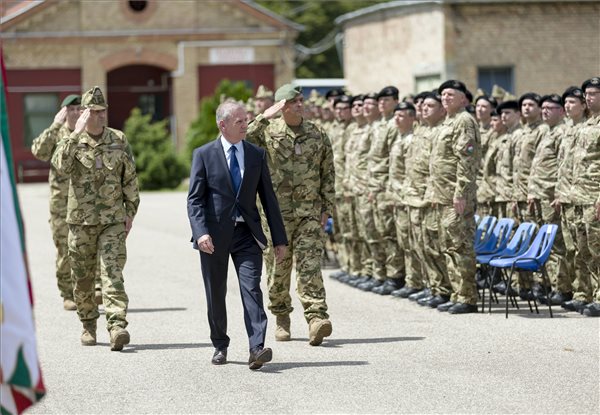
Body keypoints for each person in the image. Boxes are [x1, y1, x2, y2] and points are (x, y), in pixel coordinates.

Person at [187, 101, 287, 369]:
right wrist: (201, 233)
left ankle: (257, 348)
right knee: (215, 292)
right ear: (223, 125)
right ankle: (220, 344)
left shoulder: (256, 154)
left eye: (246, 120)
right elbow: (195, 200)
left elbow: (269, 199)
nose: (245, 125)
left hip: (246, 234)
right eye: (240, 121)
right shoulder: (203, 154)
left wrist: (279, 239)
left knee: (251, 288)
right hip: (213, 237)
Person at [51, 86, 139, 351]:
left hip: (112, 221)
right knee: (83, 277)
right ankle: (88, 324)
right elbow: (60, 166)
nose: (100, 116)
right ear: (84, 114)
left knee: (112, 273)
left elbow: (130, 179)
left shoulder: (118, 139)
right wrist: (75, 133)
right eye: (94, 112)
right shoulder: (72, 141)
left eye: (103, 111)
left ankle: (117, 326)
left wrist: (130, 212)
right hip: (81, 223)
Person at [247, 84, 334, 346]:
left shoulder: (317, 133)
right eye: (293, 101)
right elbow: (243, 139)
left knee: (310, 265)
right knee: (278, 269)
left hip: (309, 212)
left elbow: (327, 172)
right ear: (282, 106)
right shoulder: (267, 132)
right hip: (275, 214)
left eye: (300, 100)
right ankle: (281, 316)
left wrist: (327, 207)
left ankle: (316, 318)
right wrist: (265, 116)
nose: (299, 104)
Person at [424, 80, 480, 314]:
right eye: (443, 94)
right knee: (449, 247)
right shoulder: (448, 121)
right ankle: (456, 293)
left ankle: (467, 297)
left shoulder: (464, 121)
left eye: (450, 94)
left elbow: (466, 161)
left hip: (456, 197)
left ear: (463, 99)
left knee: (460, 246)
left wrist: (461, 193)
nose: (445, 98)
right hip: (442, 196)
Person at [31, 95, 81, 311]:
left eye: (79, 108)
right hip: (61, 204)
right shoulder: (57, 134)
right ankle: (68, 294)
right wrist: (55, 125)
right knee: (64, 249)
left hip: (85, 202)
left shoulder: (88, 133)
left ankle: (90, 291)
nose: (75, 113)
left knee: (89, 248)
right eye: (71, 109)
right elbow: (38, 152)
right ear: (63, 112)